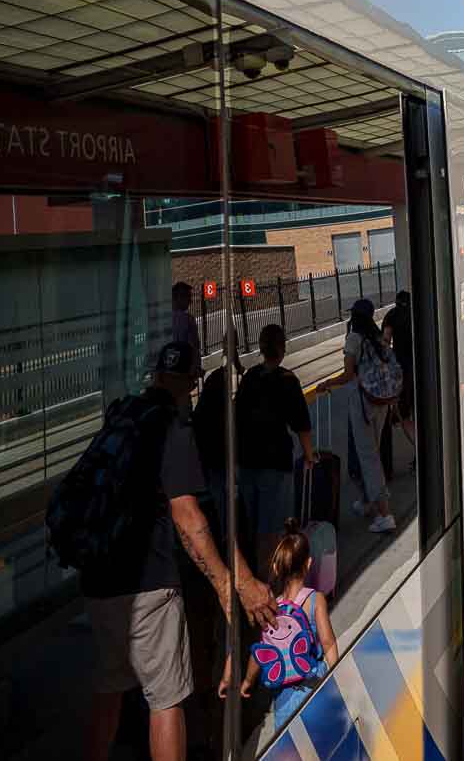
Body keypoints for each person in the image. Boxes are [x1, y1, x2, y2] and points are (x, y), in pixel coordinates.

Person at [77, 341, 275, 761]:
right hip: (148, 583)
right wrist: (228, 584)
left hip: (98, 579)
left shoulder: (122, 415)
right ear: (190, 382)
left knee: (108, 688)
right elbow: (190, 519)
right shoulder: (173, 429)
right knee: (165, 699)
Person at [222, 520, 340, 732]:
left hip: (284, 695)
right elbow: (328, 642)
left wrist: (248, 681)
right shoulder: (315, 599)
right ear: (309, 563)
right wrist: (337, 674)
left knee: (291, 747)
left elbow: (261, 652)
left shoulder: (270, 607)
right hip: (313, 683)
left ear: (276, 568)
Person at [236, 323, 317, 568]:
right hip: (275, 461)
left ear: (261, 348)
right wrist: (309, 455)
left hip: (247, 460)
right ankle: (269, 582)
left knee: (254, 522)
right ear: (282, 349)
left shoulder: (250, 377)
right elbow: (301, 425)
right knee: (271, 528)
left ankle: (254, 574)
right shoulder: (287, 381)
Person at [317, 299, 398, 534]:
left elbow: (347, 374)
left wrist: (326, 383)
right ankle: (367, 501)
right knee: (372, 453)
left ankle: (384, 514)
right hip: (380, 402)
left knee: (368, 457)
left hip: (362, 403)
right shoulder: (378, 338)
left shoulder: (354, 339)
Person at [382, 292, 417, 475]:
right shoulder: (418, 312)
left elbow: (386, 340)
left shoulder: (392, 315)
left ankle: (421, 452)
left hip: (402, 371)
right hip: (421, 369)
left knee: (404, 417)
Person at [170, 281, 201, 356]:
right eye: (188, 297)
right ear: (179, 298)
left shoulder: (164, 319)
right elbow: (194, 347)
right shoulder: (188, 319)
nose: (191, 301)